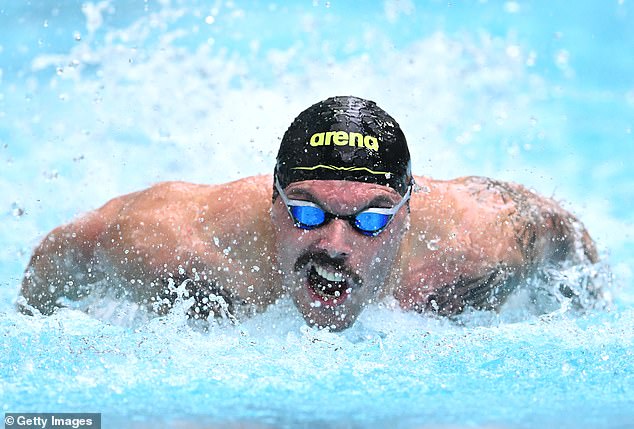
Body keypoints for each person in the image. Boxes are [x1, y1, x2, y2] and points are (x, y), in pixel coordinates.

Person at [19, 96, 602, 331]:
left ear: (406, 209)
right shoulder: (177, 239)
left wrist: (588, 310)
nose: (336, 243)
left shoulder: (483, 239)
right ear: (272, 200)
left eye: (370, 219)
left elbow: (567, 238)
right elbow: (63, 249)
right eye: (307, 213)